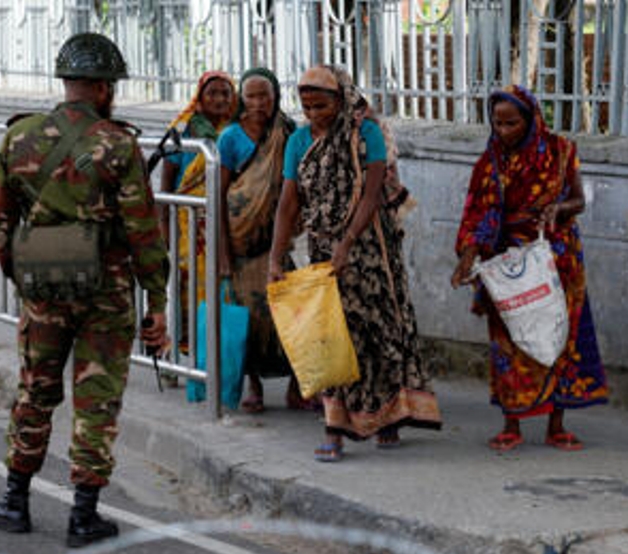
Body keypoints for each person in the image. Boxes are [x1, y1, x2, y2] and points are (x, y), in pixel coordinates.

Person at [0, 32, 170, 548]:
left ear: (67, 83)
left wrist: (27, 276)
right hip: (105, 292)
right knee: (97, 399)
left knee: (35, 390)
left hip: (44, 285)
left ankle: (14, 501)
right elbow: (143, 233)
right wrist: (158, 303)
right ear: (104, 88)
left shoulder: (18, 139)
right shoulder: (119, 144)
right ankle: (84, 517)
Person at [268, 65, 442, 462]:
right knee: (330, 336)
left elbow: (372, 190)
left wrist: (348, 242)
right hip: (323, 250)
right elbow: (288, 202)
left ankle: (387, 417)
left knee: (377, 328)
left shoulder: (366, 133)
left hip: (371, 248)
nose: (314, 114)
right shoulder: (298, 141)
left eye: (322, 105)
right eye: (307, 107)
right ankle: (335, 428)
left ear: (342, 97)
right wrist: (276, 258)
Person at [450, 85, 608, 452]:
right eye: (497, 123)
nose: (504, 130)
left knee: (559, 338)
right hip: (507, 262)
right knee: (509, 341)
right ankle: (511, 423)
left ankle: (557, 425)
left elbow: (579, 200)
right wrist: (466, 260)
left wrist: (559, 209)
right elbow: (479, 214)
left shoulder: (561, 150)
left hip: (558, 259)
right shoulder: (490, 162)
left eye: (512, 123)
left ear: (531, 118)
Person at [215, 67, 310, 413]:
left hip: (278, 244)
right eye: (251, 96)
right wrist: (223, 252)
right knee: (250, 321)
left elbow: (298, 185)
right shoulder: (230, 139)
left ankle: (296, 388)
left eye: (264, 96)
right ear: (242, 99)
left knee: (292, 316)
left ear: (275, 98)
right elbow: (220, 198)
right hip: (242, 247)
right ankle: (252, 386)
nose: (258, 103)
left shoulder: (287, 133)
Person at [159, 70, 236, 340]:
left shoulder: (236, 131)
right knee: (185, 287)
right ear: (200, 98)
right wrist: (165, 228)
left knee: (219, 287)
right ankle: (179, 351)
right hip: (188, 225)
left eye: (225, 93)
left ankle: (211, 348)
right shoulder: (182, 129)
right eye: (212, 93)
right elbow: (166, 183)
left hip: (223, 224)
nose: (219, 99)